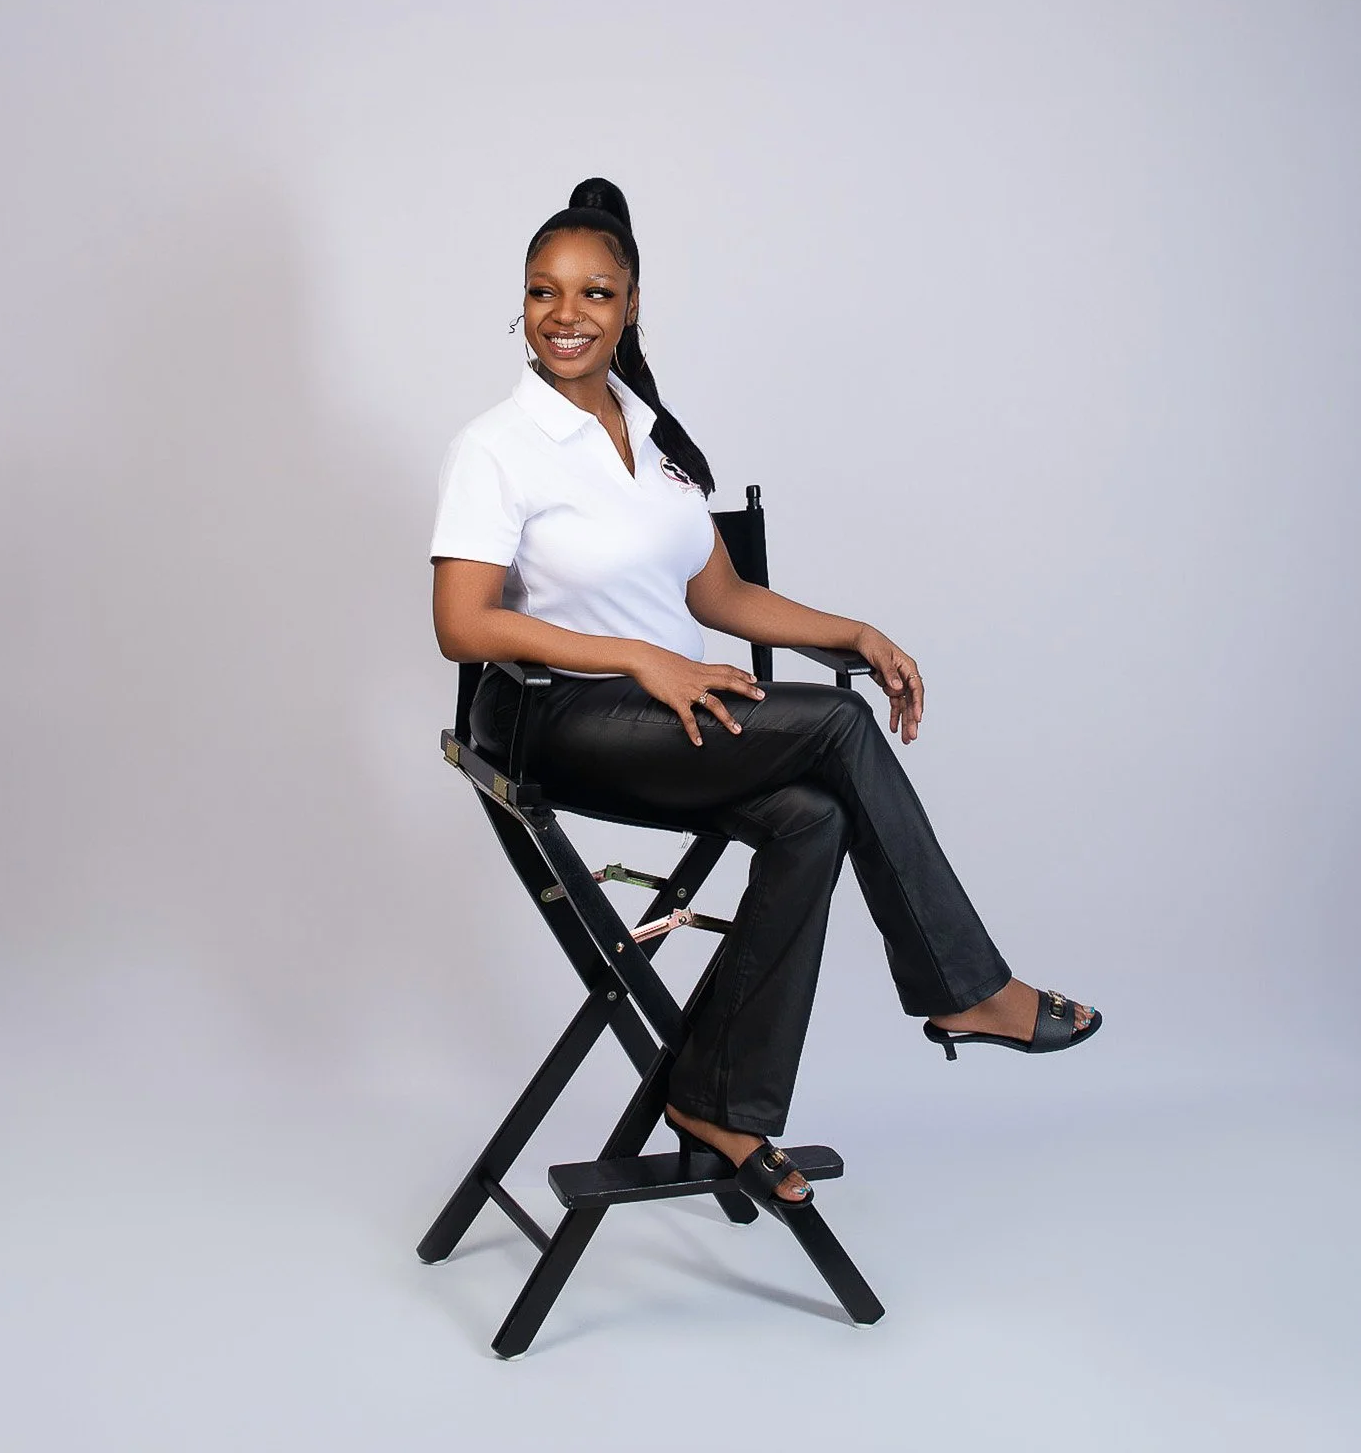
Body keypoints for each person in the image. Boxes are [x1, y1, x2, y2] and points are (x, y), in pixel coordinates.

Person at [431, 177, 1099, 1206]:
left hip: (659, 720)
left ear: (631, 304)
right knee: (833, 723)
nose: (565, 315)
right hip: (552, 720)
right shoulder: (495, 446)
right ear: (519, 304)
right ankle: (968, 989)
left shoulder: (650, 434)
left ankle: (719, 1100)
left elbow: (722, 593)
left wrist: (856, 630)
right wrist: (640, 656)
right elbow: (461, 622)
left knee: (811, 817)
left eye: (593, 293)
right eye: (542, 292)